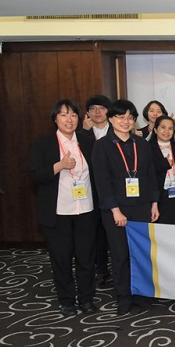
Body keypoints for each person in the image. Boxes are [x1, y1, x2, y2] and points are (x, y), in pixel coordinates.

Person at [29, 99, 99, 316]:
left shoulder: (88, 141)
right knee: (61, 258)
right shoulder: (43, 144)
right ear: (55, 119)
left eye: (73, 115)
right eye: (63, 115)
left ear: (79, 118)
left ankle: (87, 299)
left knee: (86, 257)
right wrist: (59, 166)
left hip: (86, 210)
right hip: (58, 212)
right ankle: (67, 300)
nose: (69, 119)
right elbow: (34, 175)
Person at [92, 99, 160, 315]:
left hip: (141, 206)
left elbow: (149, 175)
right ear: (111, 119)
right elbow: (102, 181)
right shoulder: (102, 146)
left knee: (141, 253)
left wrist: (154, 202)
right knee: (121, 254)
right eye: (121, 117)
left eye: (130, 117)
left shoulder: (141, 143)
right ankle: (123, 297)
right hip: (117, 209)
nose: (126, 121)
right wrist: (115, 210)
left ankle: (140, 295)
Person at [82, 94, 112, 286]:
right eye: (93, 108)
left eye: (101, 108)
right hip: (90, 190)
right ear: (87, 113)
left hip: (115, 190)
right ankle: (101, 269)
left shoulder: (119, 132)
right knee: (95, 233)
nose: (98, 112)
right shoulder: (81, 136)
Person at [149, 115, 175, 225]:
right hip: (158, 197)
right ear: (155, 129)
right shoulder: (147, 147)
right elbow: (147, 173)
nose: (166, 131)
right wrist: (164, 164)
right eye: (163, 127)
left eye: (170, 128)